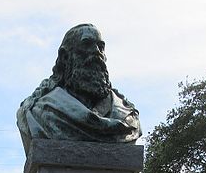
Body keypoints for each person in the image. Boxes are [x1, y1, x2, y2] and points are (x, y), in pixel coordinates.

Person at [16, 23, 141, 154]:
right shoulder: (39, 112)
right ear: (65, 56)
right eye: (87, 44)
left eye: (101, 47)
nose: (97, 52)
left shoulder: (127, 116)